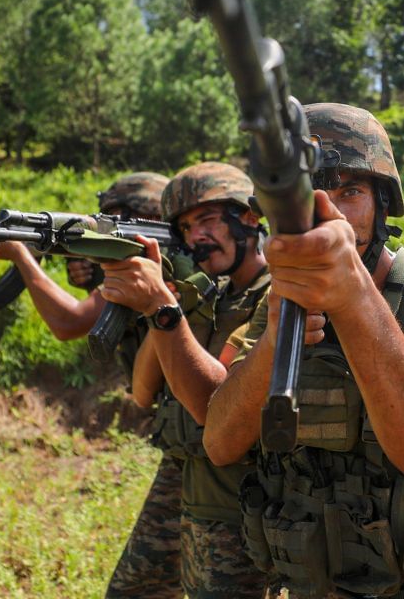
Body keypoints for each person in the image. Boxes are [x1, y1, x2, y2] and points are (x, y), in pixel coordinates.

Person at [202, 103, 404, 599]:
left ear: (383, 204)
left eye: (350, 192)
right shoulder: (276, 304)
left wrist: (352, 299)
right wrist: (272, 343)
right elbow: (220, 443)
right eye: (314, 195)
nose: (329, 212)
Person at [99, 162, 273, 598]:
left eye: (209, 220)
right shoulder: (203, 296)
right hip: (186, 479)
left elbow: (216, 407)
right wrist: (164, 307)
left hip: (241, 500)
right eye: (187, 226)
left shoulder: (276, 298)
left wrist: (163, 306)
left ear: (248, 218)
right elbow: (142, 394)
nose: (197, 236)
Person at [0, 171, 168, 346]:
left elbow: (68, 323)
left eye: (122, 221)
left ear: (154, 217)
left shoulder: (162, 265)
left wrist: (19, 254)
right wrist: (93, 276)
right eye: (110, 219)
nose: (112, 229)